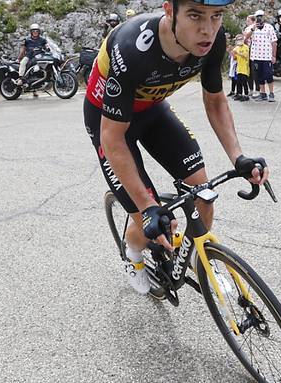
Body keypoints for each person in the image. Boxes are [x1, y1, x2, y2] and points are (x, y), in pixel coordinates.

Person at [83, 0, 270, 294]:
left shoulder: (213, 41)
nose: (207, 30)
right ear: (169, 10)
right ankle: (132, 256)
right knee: (145, 217)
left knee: (204, 193)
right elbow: (112, 138)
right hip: (109, 122)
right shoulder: (133, 47)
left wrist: (238, 157)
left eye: (216, 17)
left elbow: (216, 102)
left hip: (153, 110)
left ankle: (202, 263)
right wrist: (147, 207)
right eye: (195, 16)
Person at [244, 9, 277, 102]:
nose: (259, 19)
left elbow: (274, 42)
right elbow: (246, 37)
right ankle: (263, 93)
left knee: (269, 75)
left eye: (261, 17)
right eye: (257, 17)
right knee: (259, 76)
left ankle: (271, 93)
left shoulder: (269, 27)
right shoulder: (252, 28)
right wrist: (253, 28)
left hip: (267, 56)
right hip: (256, 56)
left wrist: (273, 56)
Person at [17, 24, 48, 88]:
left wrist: (48, 48)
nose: (35, 32)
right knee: (23, 63)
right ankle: (21, 79)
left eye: (37, 31)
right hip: (29, 56)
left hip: (39, 57)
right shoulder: (27, 40)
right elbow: (23, 49)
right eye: (34, 31)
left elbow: (47, 46)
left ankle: (38, 84)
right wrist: (19, 58)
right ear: (31, 32)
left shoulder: (42, 40)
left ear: (39, 32)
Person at [232, 34, 250, 101]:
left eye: (240, 39)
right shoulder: (237, 48)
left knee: (244, 82)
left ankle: (246, 95)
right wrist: (233, 54)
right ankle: (239, 94)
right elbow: (235, 58)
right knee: (238, 82)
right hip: (239, 68)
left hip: (245, 68)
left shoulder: (246, 47)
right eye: (238, 40)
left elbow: (245, 56)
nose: (239, 41)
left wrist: (238, 53)